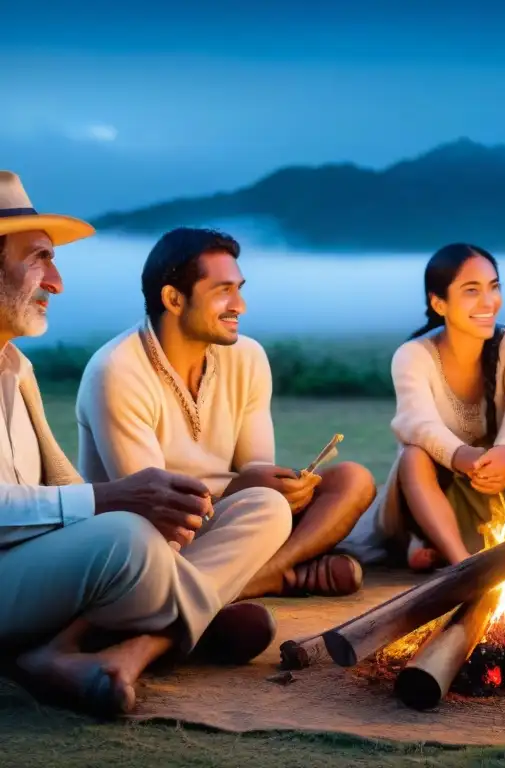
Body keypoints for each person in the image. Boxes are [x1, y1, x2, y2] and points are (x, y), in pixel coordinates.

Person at [0, 171, 293, 718]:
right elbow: (91, 501)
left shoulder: (17, 368)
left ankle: (128, 640)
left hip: (42, 566)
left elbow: (60, 482)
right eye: (39, 258)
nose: (56, 282)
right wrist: (109, 500)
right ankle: (196, 621)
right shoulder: (116, 368)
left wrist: (113, 503)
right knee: (131, 537)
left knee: (266, 507)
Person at [75, 227, 376, 599]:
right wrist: (248, 488)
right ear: (173, 298)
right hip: (157, 537)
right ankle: (280, 578)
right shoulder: (116, 371)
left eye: (239, 288)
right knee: (258, 511)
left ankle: (263, 575)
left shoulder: (247, 357)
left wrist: (285, 487)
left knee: (351, 479)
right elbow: (155, 509)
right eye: (223, 291)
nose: (240, 306)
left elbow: (256, 469)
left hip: (241, 518)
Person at [338, 243, 505, 570]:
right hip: (435, 496)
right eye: (471, 291)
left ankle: (440, 546)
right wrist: (465, 458)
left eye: (494, 287)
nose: (488, 302)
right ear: (439, 303)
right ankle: (460, 565)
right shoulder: (413, 356)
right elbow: (417, 424)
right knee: (413, 455)